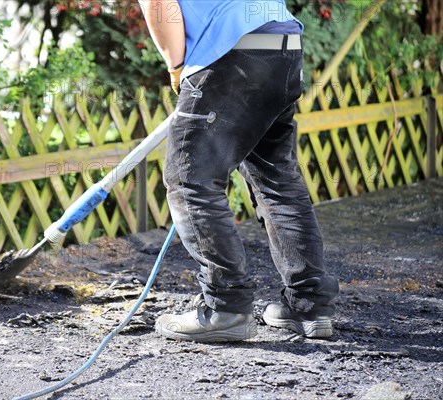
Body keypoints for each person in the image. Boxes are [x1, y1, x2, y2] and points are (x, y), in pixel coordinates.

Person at [138, 0, 340, 342]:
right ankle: (309, 307)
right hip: (283, 43)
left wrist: (177, 67)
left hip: (233, 49)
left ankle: (226, 307)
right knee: (276, 180)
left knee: (190, 181)